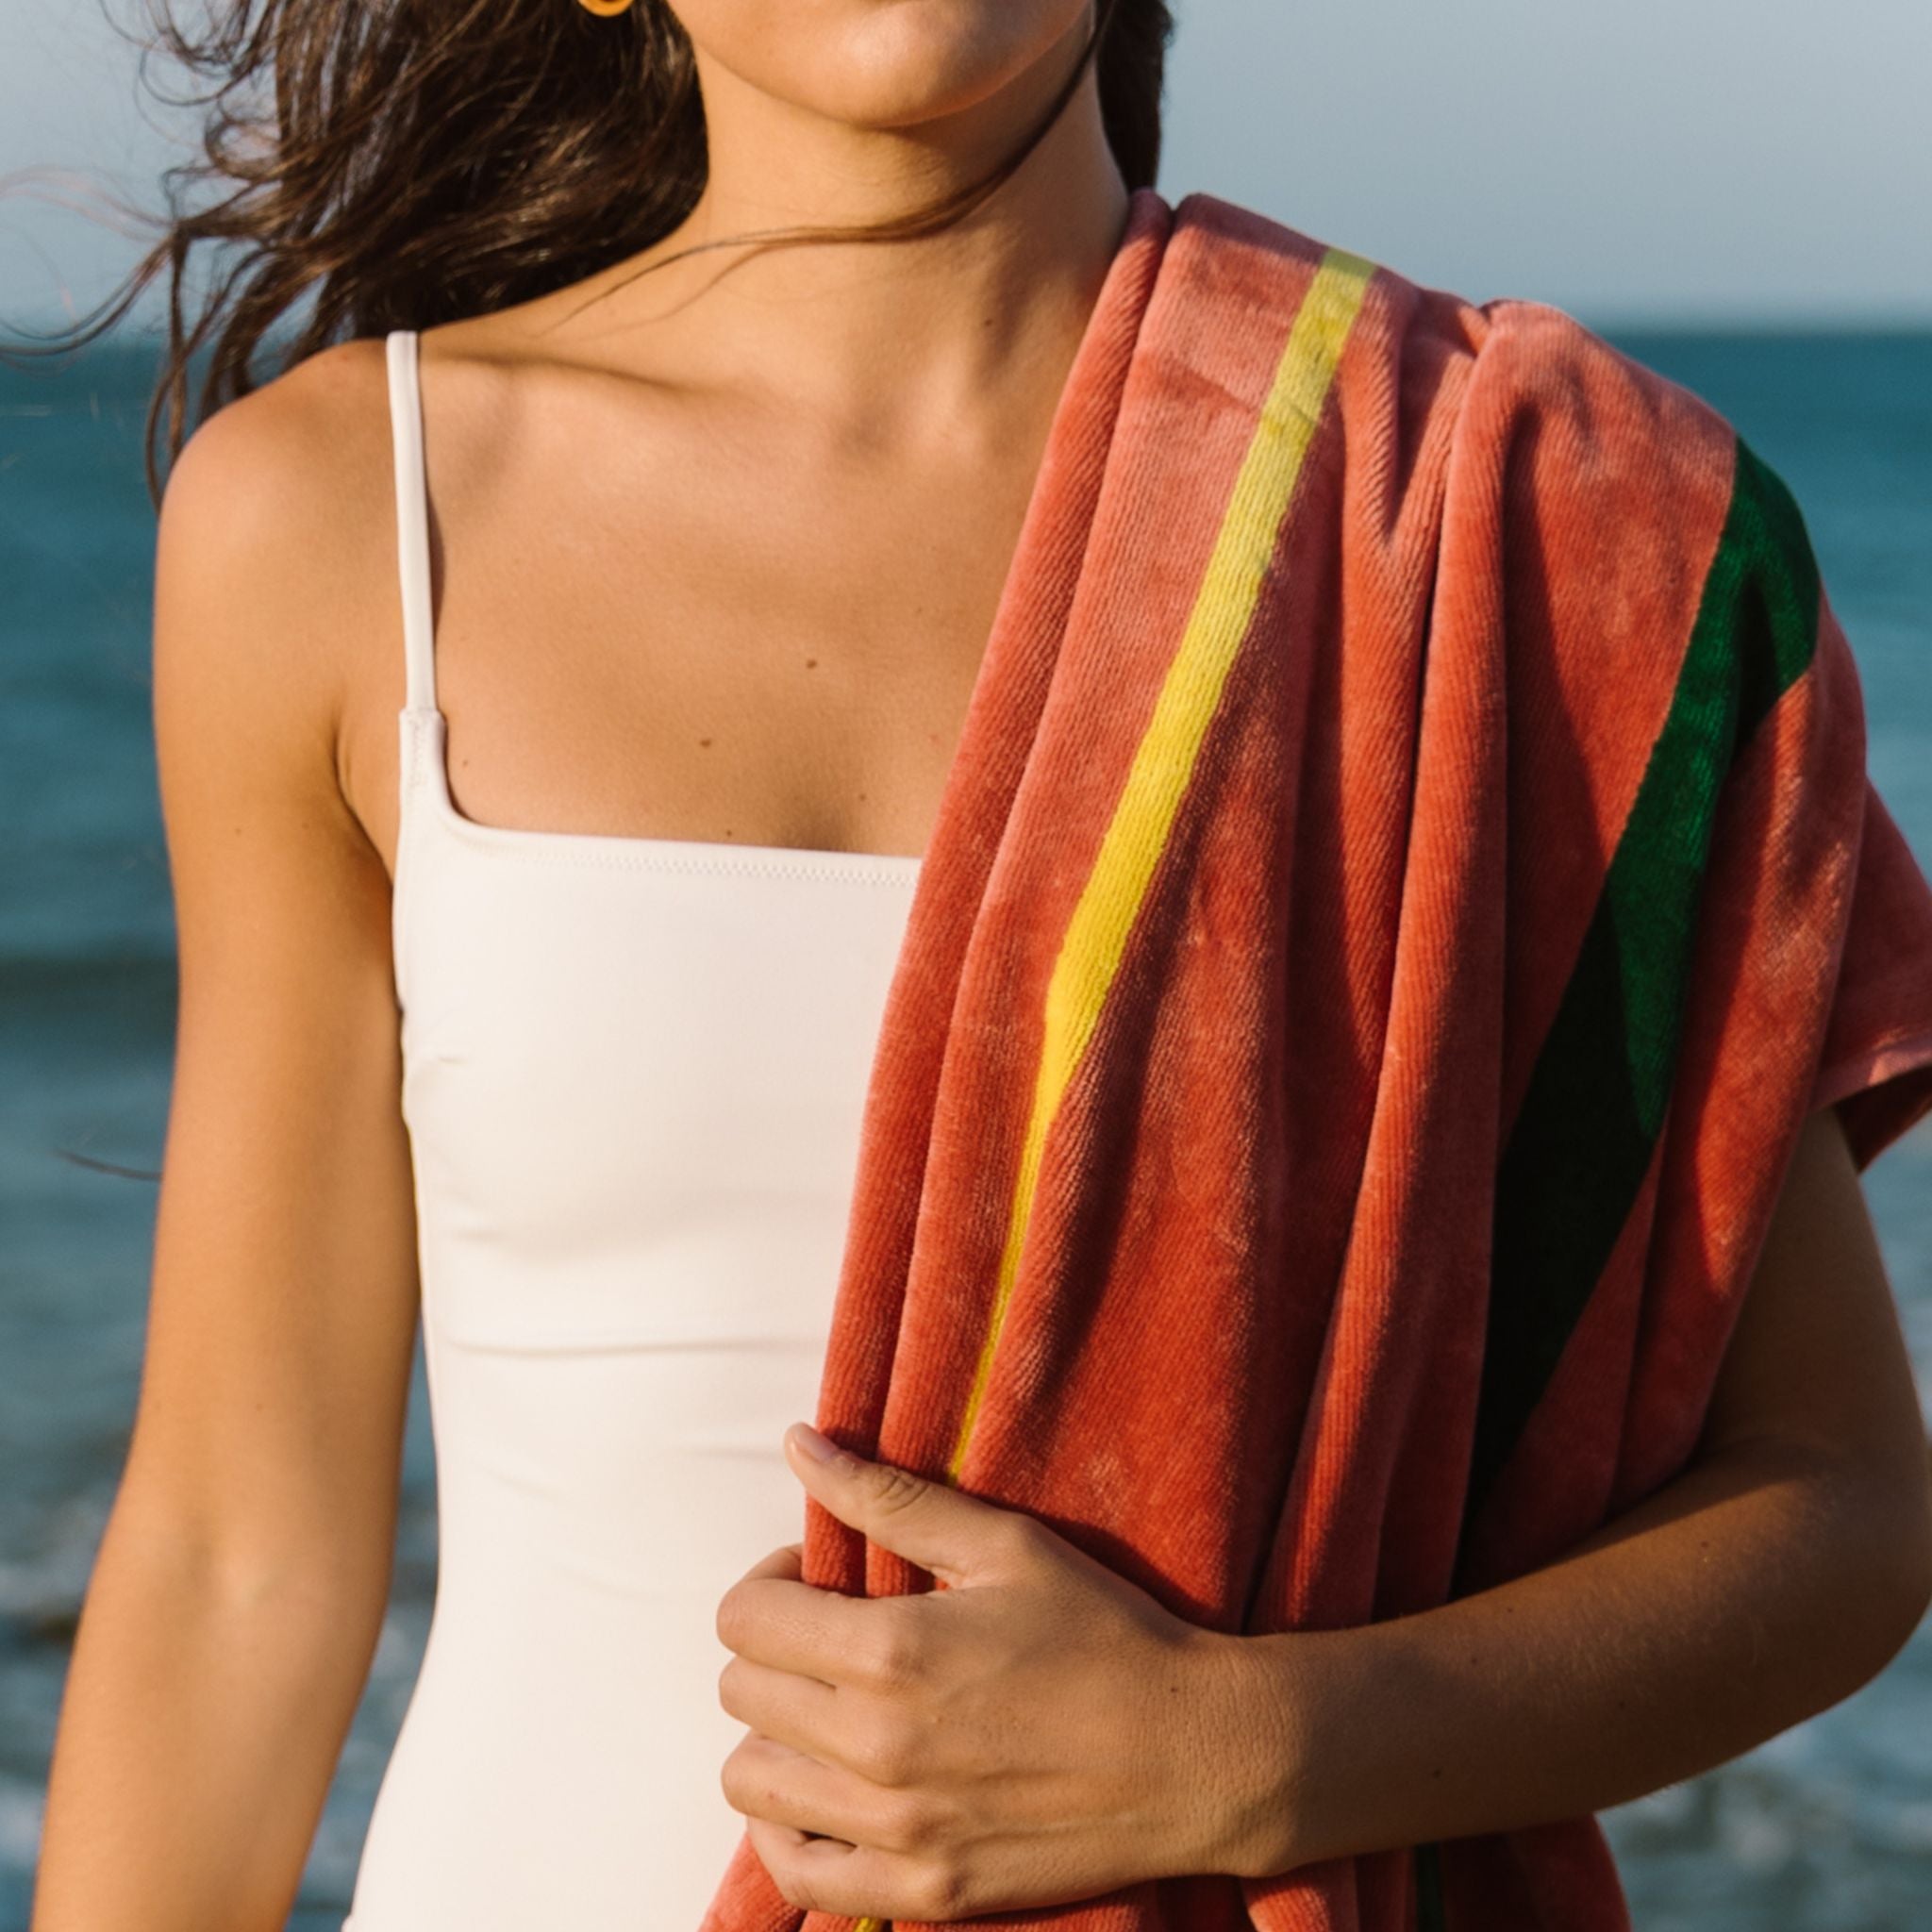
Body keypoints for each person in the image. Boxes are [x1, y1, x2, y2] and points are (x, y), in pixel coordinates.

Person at [23, 2, 1932, 1928]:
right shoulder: (343, 512)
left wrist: (1259, 1752)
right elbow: (234, 1555)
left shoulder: (1512, 524)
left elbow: (1840, 1502)